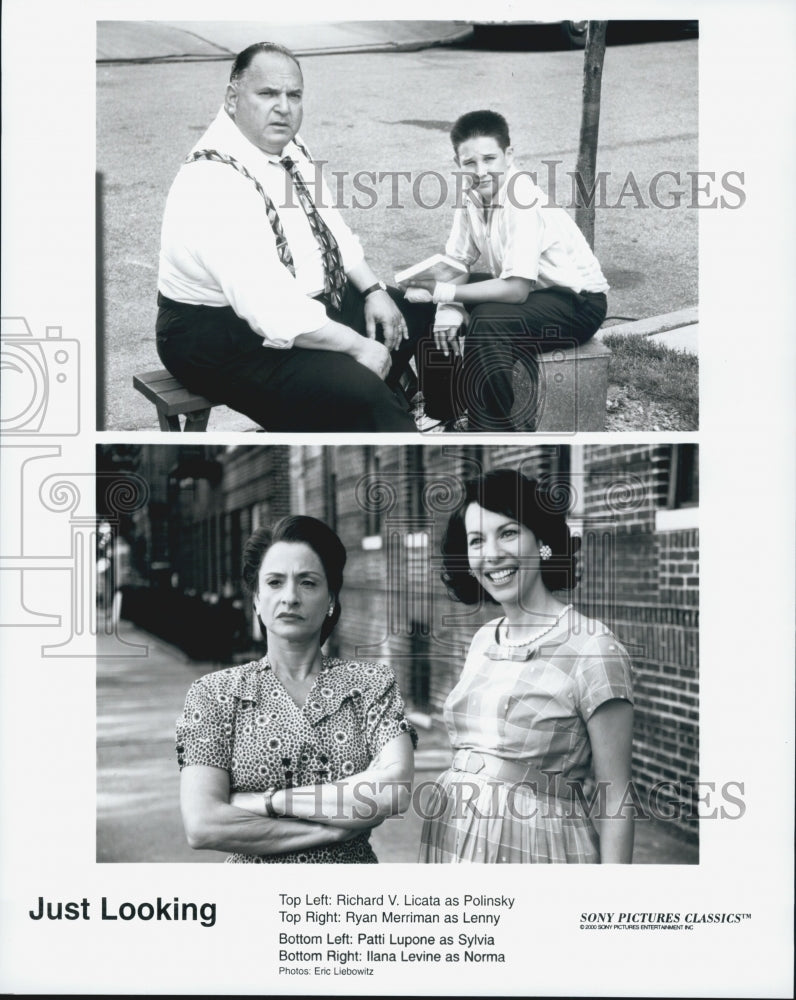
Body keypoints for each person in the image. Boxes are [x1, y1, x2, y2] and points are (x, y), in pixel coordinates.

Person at [157, 41, 435, 432]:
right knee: (360, 394)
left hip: (297, 303)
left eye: (294, 95)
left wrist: (373, 290)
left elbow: (330, 226)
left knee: (414, 312)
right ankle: (385, 434)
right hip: (220, 337)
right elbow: (271, 310)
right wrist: (357, 347)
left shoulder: (287, 146)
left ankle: (398, 417)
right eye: (268, 94)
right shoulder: (213, 181)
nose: (284, 107)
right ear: (233, 98)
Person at [419, 469, 634, 863]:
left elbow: (615, 796)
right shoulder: (484, 639)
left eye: (508, 533)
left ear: (542, 542)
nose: (492, 554)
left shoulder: (593, 648)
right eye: (476, 540)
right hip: (454, 836)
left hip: (537, 848)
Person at [177, 515, 416, 863]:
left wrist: (268, 801)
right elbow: (204, 825)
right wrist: (330, 830)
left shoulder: (370, 686)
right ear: (257, 599)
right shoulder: (214, 694)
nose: (290, 597)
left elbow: (393, 791)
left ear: (331, 598)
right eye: (274, 582)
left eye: (307, 582)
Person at [401, 110, 609, 431]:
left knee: (489, 320)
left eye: (489, 159)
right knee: (431, 298)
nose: (480, 171)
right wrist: (447, 307)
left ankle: (492, 430)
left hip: (578, 303)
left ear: (509, 155)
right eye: (469, 163)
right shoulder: (472, 195)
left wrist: (447, 293)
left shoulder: (521, 198)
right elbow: (456, 261)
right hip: (537, 295)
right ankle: (443, 410)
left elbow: (515, 290)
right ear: (458, 163)